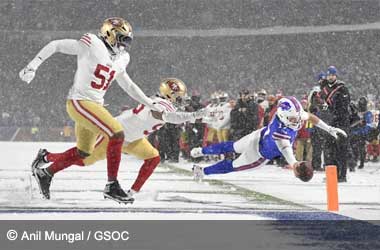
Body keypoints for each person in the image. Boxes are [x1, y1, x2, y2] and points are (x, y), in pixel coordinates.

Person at [19, 17, 163, 203]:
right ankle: (112, 185)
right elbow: (56, 45)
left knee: (83, 153)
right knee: (116, 133)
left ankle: (45, 171)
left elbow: (128, 85)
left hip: (94, 105)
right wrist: (33, 65)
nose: (124, 44)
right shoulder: (92, 43)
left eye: (126, 39)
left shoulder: (122, 58)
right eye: (121, 38)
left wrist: (150, 103)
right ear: (109, 34)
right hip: (80, 102)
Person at [32, 78, 211, 203]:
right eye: (179, 95)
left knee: (153, 157)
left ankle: (131, 192)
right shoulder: (158, 104)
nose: (182, 99)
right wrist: (193, 116)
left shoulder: (164, 103)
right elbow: (165, 116)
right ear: (169, 94)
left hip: (133, 139)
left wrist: (195, 117)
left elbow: (170, 115)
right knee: (84, 159)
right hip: (116, 134)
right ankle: (47, 160)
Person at [190, 97, 347, 182]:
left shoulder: (290, 115)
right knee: (232, 163)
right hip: (258, 154)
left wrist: (329, 129)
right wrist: (295, 165)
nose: (296, 121)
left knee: (233, 146)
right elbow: (287, 151)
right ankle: (203, 170)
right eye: (292, 118)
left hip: (259, 136)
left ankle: (201, 152)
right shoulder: (281, 133)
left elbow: (310, 116)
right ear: (284, 116)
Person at [319, 66, 351, 182]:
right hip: (329, 124)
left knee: (341, 150)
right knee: (329, 151)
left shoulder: (342, 89)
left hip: (341, 123)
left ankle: (342, 175)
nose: (330, 77)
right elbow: (319, 104)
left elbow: (344, 106)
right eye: (329, 75)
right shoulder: (324, 89)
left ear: (336, 76)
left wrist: (331, 108)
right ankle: (331, 175)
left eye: (332, 75)